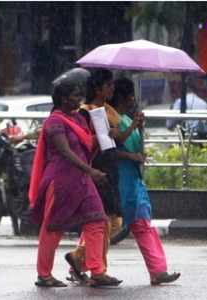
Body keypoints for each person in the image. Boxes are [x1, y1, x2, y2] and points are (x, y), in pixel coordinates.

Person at [28, 77, 121, 287]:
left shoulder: (79, 119)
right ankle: (44, 274)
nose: (79, 100)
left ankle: (97, 271)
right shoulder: (54, 122)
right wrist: (91, 171)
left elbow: (86, 145)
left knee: (98, 220)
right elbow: (64, 151)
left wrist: (106, 137)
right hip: (62, 181)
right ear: (62, 98)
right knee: (53, 227)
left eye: (80, 96)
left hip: (82, 179)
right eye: (75, 96)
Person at [65, 68, 139, 283]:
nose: (111, 89)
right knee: (104, 221)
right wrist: (102, 137)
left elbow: (115, 140)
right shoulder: (85, 111)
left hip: (109, 166)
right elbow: (85, 143)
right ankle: (96, 269)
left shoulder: (109, 111)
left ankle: (78, 259)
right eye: (108, 85)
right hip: (96, 169)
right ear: (97, 88)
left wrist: (133, 125)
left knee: (108, 222)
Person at [110, 77, 181, 285]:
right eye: (130, 95)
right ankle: (81, 262)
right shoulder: (113, 119)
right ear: (124, 96)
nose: (133, 99)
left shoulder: (126, 119)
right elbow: (112, 149)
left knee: (142, 224)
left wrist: (140, 129)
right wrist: (134, 127)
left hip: (134, 181)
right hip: (120, 181)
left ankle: (158, 270)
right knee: (106, 226)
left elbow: (138, 150)